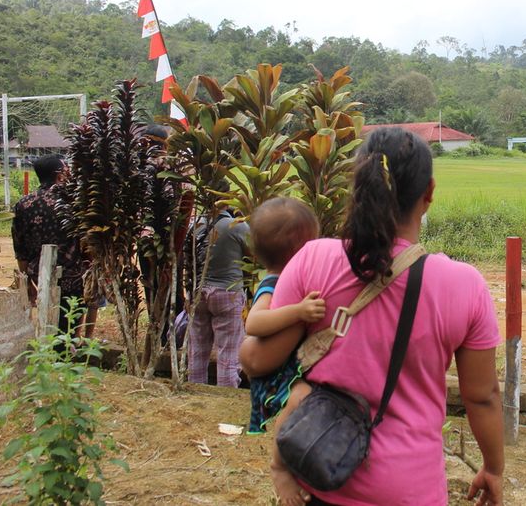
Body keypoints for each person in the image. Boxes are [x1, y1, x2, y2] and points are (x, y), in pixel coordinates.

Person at [240, 127, 503, 506]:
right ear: (428, 193)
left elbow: (260, 359)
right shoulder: (465, 285)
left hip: (319, 472)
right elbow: (482, 397)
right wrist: (493, 468)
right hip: (411, 489)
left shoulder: (313, 258)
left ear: (357, 186)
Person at [243, 197, 326, 434]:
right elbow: (254, 322)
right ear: (299, 251)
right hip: (275, 379)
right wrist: (298, 311)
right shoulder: (272, 284)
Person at [11, 154, 95, 335]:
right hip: (72, 278)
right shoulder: (75, 202)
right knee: (68, 330)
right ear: (60, 175)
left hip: (40, 276)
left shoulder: (24, 204)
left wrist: (26, 281)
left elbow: (20, 247)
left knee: (45, 326)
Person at [187, 195, 250, 388]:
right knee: (228, 354)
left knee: (197, 349)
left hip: (199, 292)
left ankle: (195, 389)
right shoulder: (237, 226)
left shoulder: (195, 226)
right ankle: (226, 394)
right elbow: (256, 253)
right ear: (227, 201)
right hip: (228, 293)